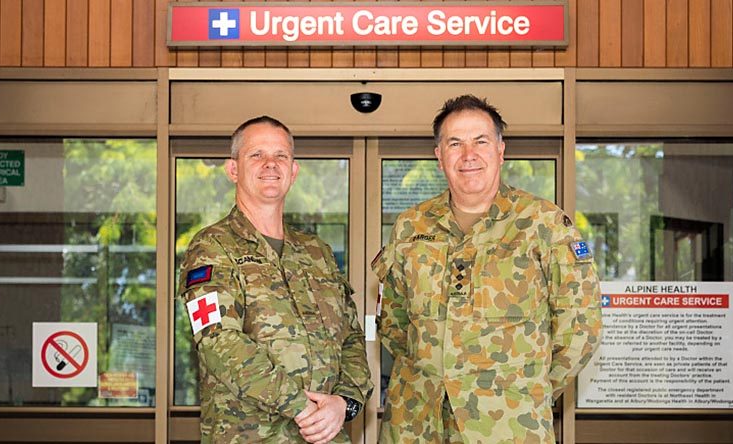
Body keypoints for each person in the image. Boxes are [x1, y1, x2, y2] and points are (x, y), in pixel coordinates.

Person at [372, 95, 602, 443]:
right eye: (455, 143)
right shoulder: (410, 225)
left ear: (500, 150)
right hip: (417, 423)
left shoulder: (542, 223)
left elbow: (581, 326)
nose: (469, 155)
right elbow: (393, 322)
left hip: (508, 426)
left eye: (480, 141)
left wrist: (525, 392)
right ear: (439, 156)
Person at [178, 116, 373, 443]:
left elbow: (350, 336)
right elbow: (218, 342)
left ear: (293, 171)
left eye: (281, 156)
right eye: (256, 155)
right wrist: (300, 407)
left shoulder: (316, 252)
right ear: (233, 169)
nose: (270, 164)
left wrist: (344, 403)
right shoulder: (211, 248)